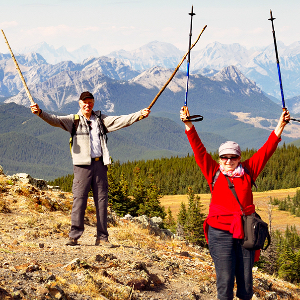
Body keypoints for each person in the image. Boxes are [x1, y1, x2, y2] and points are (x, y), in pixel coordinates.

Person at [180, 107, 290, 300]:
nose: (229, 161)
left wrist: (280, 125)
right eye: (224, 156)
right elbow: (198, 149)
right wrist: (189, 125)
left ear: (240, 157)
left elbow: (267, 150)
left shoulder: (248, 170)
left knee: (246, 285)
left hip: (246, 232)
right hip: (219, 232)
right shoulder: (213, 171)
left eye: (233, 157)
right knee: (225, 282)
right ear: (219, 158)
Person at [31, 91, 150, 247]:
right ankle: (74, 236)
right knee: (79, 200)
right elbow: (54, 120)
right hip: (82, 166)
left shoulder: (101, 119)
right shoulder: (73, 120)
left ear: (93, 103)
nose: (88, 105)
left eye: (90, 102)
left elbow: (121, 120)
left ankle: (102, 238)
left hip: (100, 164)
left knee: (102, 201)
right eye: (85, 102)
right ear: (80, 104)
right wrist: (39, 113)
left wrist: (139, 115)